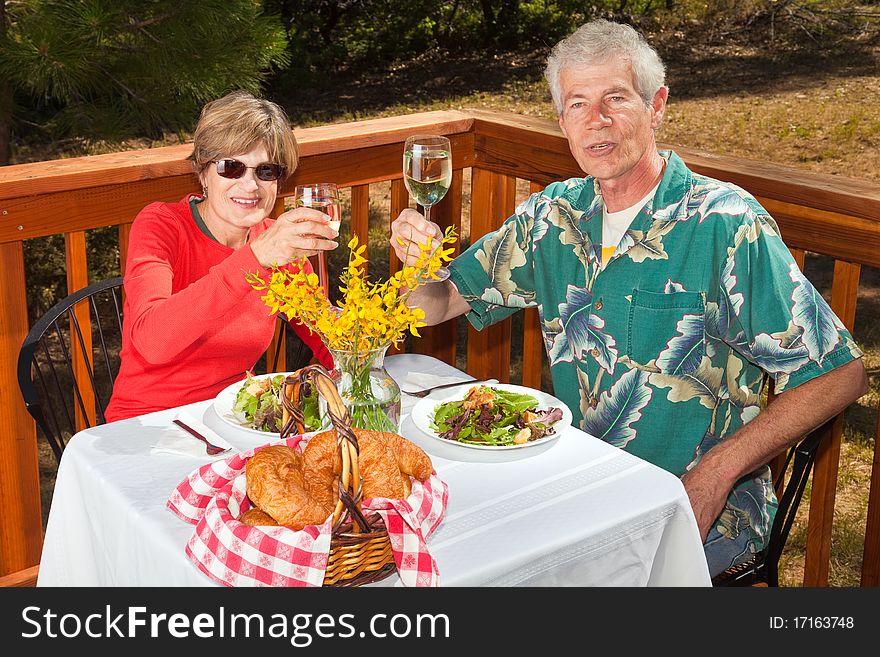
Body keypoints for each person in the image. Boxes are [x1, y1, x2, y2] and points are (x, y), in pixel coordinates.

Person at [390, 19, 868, 578]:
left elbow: (840, 374)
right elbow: (435, 304)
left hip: (691, 514)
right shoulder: (553, 217)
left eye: (616, 98)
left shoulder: (724, 224)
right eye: (577, 104)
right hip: (577, 489)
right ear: (562, 120)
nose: (598, 121)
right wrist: (413, 267)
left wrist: (717, 474)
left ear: (657, 105)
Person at [106, 91, 337, 422]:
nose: (250, 186)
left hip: (235, 421)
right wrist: (254, 259)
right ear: (202, 172)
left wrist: (417, 274)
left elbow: (331, 337)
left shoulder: (276, 244)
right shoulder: (162, 225)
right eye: (232, 167)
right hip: (147, 425)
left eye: (266, 171)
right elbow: (152, 341)